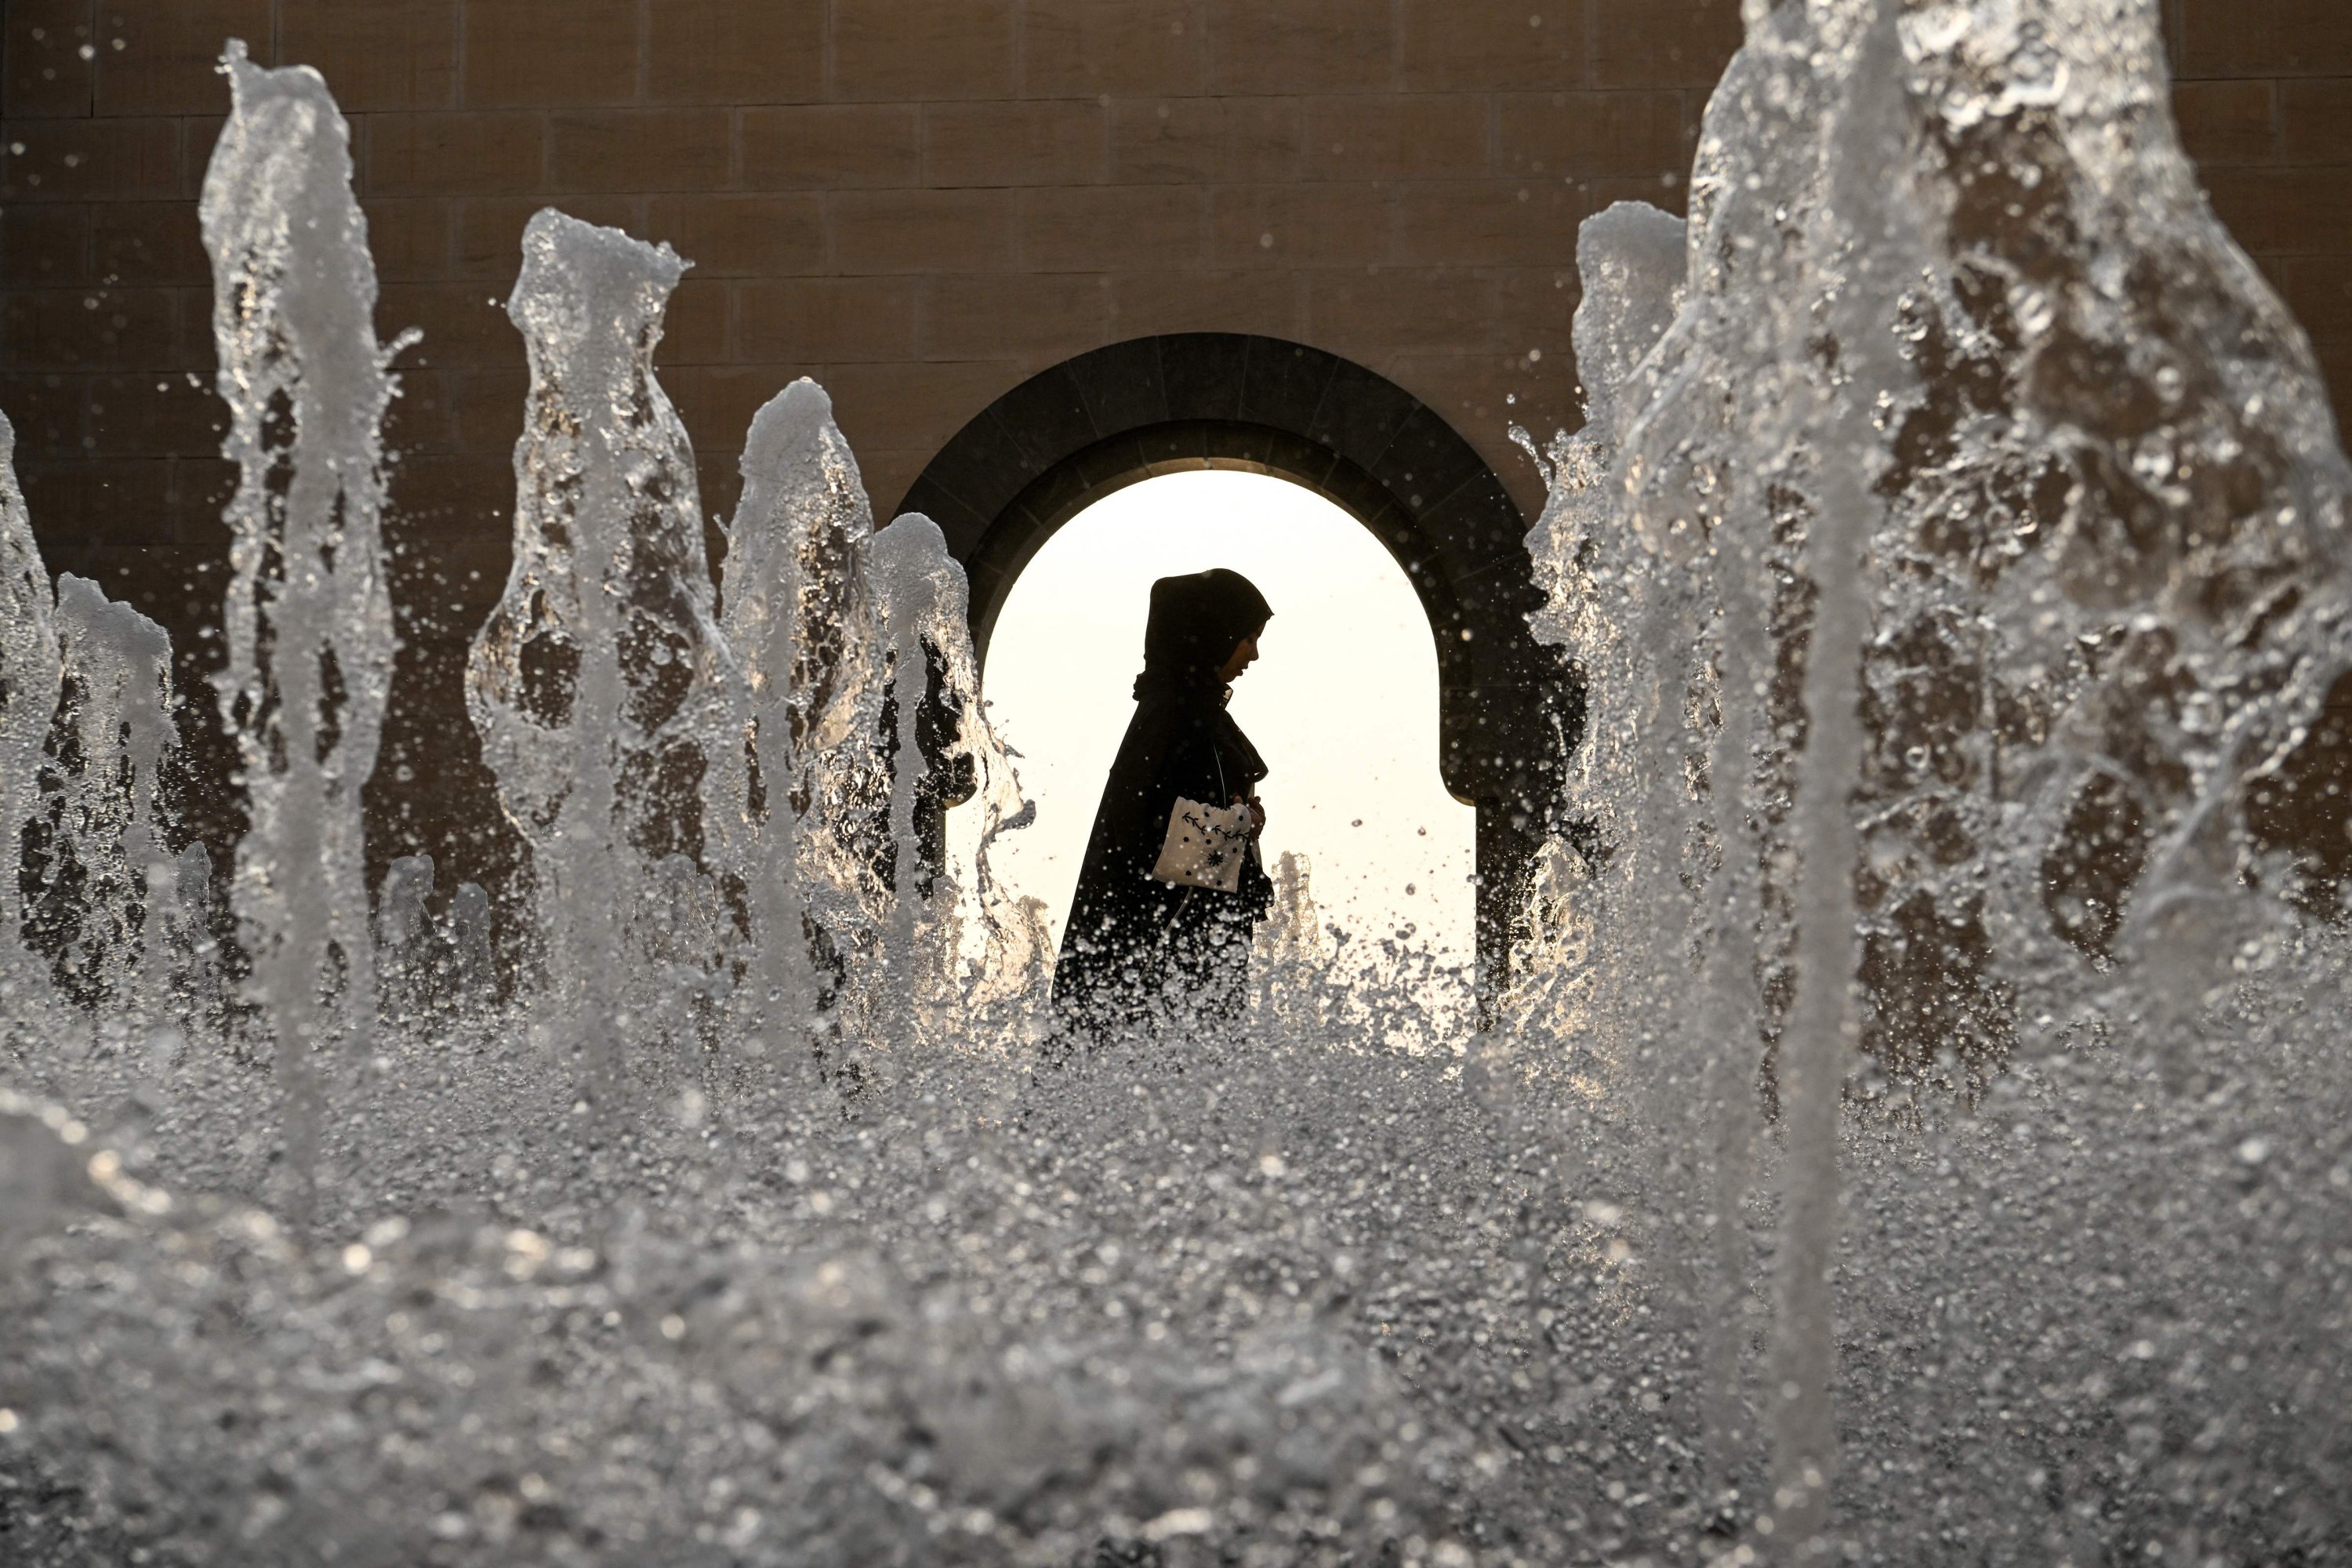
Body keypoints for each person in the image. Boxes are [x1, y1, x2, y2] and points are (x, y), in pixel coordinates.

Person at [1053, 568, 1276, 1044]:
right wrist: (1240, 825)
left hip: (1188, 958)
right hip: (1154, 967)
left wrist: (1238, 825)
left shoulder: (1197, 719)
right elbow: (1147, 838)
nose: (1253, 654)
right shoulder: (1171, 722)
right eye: (1247, 638)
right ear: (1213, 635)